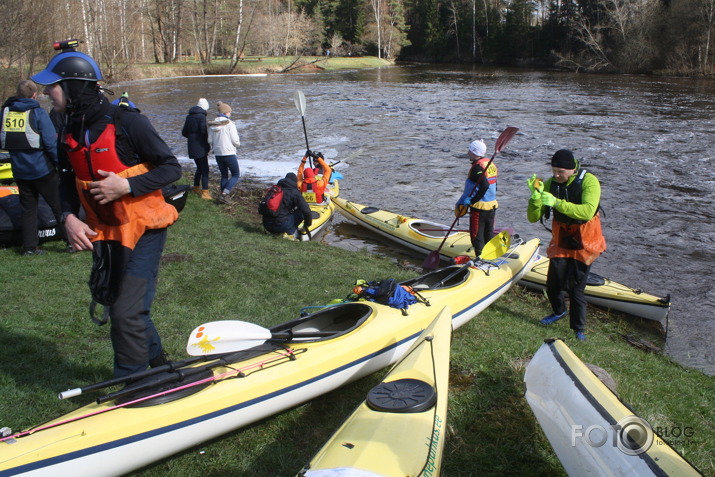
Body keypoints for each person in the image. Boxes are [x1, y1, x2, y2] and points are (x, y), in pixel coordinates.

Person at [31, 41, 181, 377]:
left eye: (51, 87)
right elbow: (66, 183)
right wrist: (67, 217)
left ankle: (132, 386)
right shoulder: (67, 128)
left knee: (126, 312)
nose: (46, 94)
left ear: (73, 87)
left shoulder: (128, 123)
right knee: (121, 305)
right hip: (107, 232)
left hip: (145, 229)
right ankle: (160, 366)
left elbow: (172, 168)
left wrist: (126, 185)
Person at [527, 149, 607, 342]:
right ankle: (559, 311)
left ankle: (578, 329)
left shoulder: (589, 182)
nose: (556, 175)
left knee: (576, 288)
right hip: (562, 238)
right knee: (553, 284)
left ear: (572, 170)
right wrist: (536, 199)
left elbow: (587, 212)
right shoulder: (550, 183)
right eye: (554, 170)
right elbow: (532, 218)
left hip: (585, 240)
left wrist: (556, 202)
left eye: (560, 171)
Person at [0, 79, 66, 255]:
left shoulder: (6, 112)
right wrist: (59, 164)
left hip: (19, 170)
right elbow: (51, 142)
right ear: (34, 95)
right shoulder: (38, 112)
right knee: (58, 204)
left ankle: (30, 247)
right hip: (42, 169)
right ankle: (71, 240)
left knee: (28, 209)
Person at [454, 139, 497, 257]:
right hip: (492, 205)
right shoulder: (490, 164)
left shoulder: (477, 168)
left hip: (479, 207)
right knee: (488, 234)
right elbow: (494, 184)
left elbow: (485, 185)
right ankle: (491, 257)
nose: (468, 153)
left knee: (476, 236)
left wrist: (471, 201)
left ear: (474, 152)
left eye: (470, 151)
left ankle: (481, 260)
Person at [261, 172, 312, 239]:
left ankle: (274, 231)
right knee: (300, 212)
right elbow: (306, 211)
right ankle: (290, 232)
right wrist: (308, 224)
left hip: (266, 225)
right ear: (295, 182)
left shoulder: (274, 190)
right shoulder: (295, 192)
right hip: (281, 226)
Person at [207, 101, 240, 203]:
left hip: (218, 153)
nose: (230, 114)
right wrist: (237, 145)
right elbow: (235, 140)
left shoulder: (212, 125)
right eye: (230, 112)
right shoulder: (230, 124)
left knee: (224, 175)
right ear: (226, 113)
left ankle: (223, 198)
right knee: (236, 174)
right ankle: (225, 194)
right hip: (229, 152)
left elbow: (209, 141)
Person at [181, 98, 211, 200]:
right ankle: (205, 192)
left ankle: (196, 187)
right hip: (200, 146)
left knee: (199, 167)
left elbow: (184, 132)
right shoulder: (201, 117)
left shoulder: (189, 116)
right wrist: (208, 142)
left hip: (191, 146)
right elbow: (203, 132)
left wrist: (192, 137)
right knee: (205, 169)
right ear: (205, 108)